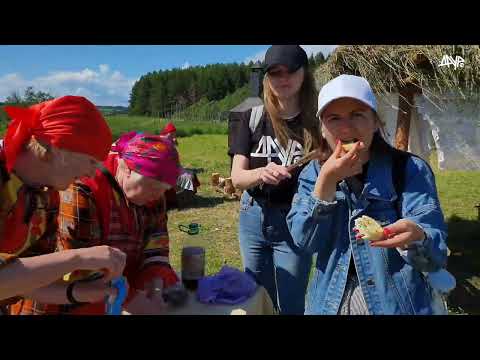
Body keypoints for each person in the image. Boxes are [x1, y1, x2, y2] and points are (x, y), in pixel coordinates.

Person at [287, 74, 450, 314]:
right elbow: (306, 243)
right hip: (331, 302)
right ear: (322, 128)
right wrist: (326, 183)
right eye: (334, 118)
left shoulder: (409, 170)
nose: (346, 127)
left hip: (395, 303)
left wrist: (418, 236)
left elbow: (435, 257)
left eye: (357, 115)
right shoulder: (313, 173)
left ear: (375, 122)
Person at [11, 131, 182, 314]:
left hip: (112, 297)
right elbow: (77, 259)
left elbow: (157, 244)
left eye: (164, 189)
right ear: (126, 168)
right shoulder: (83, 187)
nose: (157, 195)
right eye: (152, 186)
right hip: (58, 298)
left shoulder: (155, 197)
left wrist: (154, 280)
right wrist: (129, 298)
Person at [0, 96, 127, 314]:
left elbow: (23, 280)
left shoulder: (46, 194)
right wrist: (76, 258)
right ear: (57, 148)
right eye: (91, 161)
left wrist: (77, 292)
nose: (92, 173)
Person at [229, 45, 321, 314]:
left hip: (296, 222)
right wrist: (261, 173)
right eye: (275, 72)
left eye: (290, 71)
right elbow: (237, 178)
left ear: (305, 73)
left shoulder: (317, 121)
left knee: (292, 301)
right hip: (253, 217)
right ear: (267, 77)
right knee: (258, 299)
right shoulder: (252, 117)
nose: (283, 79)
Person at [160, 122, 200, 210]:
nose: (174, 136)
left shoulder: (169, 140)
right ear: (168, 133)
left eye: (174, 134)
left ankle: (185, 197)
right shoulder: (163, 142)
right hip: (165, 170)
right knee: (186, 177)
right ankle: (182, 199)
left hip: (172, 167)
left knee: (190, 174)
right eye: (172, 134)